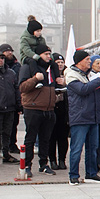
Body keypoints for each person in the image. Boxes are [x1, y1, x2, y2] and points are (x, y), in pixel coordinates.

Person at [64, 49, 100, 184]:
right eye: (87, 60)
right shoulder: (71, 75)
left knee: (93, 147)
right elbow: (83, 90)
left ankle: (91, 173)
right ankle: (73, 175)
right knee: (77, 148)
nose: (90, 62)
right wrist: (99, 80)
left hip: (94, 116)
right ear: (79, 62)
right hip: (80, 117)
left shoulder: (91, 74)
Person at [18, 46, 60, 177]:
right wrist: (35, 79)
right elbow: (22, 87)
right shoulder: (28, 67)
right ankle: (27, 165)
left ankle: (43, 164)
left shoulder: (51, 68)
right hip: (33, 108)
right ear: (38, 55)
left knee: (45, 139)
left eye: (50, 54)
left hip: (49, 109)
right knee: (30, 139)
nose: (49, 56)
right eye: (46, 54)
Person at [48, 54, 70, 171]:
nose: (60, 65)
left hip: (64, 111)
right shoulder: (50, 74)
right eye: (57, 62)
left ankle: (62, 159)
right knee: (52, 137)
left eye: (62, 62)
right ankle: (52, 160)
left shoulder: (68, 74)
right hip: (52, 110)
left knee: (63, 137)